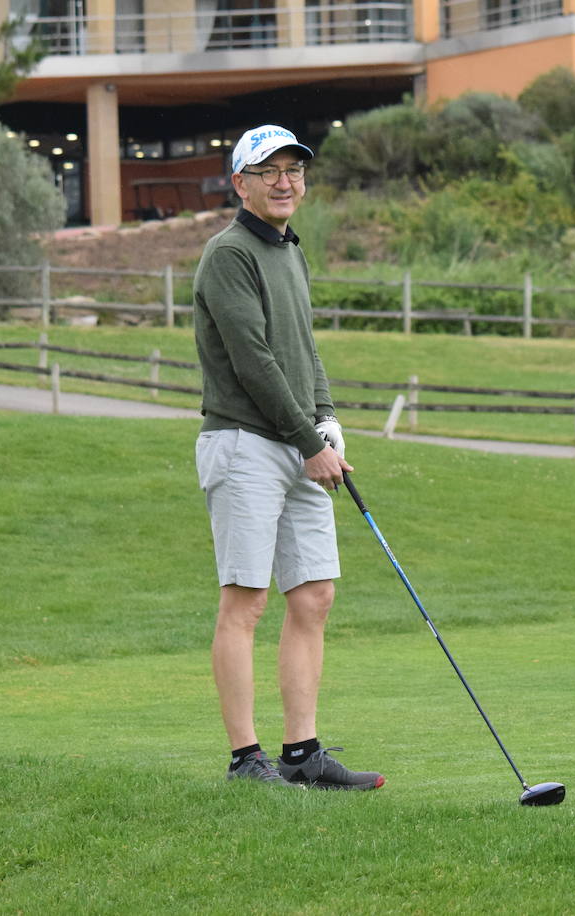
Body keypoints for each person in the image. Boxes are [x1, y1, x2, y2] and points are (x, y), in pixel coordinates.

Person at [192, 124, 385, 790]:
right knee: (244, 601)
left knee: (314, 596)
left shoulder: (291, 252)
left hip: (298, 441)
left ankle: (303, 755)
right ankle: (247, 760)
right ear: (239, 182)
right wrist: (310, 441)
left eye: (294, 170)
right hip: (245, 442)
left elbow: (304, 352)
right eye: (268, 170)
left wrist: (325, 421)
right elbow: (253, 362)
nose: (284, 182)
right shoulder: (229, 254)